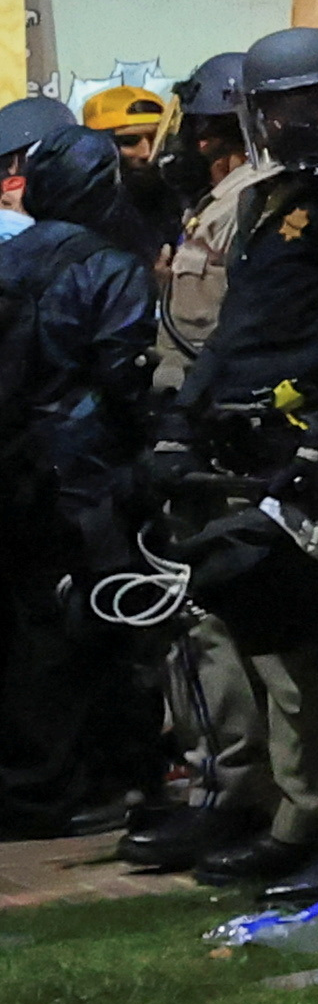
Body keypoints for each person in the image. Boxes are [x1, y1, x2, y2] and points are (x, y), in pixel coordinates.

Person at [177, 25, 318, 899]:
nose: (306, 120)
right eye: (284, 105)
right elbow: (240, 325)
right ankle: (308, 815)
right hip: (250, 447)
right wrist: (187, 416)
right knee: (279, 653)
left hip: (312, 448)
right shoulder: (269, 201)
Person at [114, 51, 272, 871]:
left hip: (220, 433)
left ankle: (234, 790)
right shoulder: (227, 202)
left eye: (203, 126)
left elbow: (224, 330)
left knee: (211, 619)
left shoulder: (247, 201)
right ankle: (247, 787)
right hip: (212, 425)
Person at [0, 102, 165, 841]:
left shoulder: (10, 258)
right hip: (88, 475)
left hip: (17, 469)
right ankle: (100, 778)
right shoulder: (110, 267)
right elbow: (125, 378)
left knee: (29, 632)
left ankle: (38, 780)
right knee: (104, 628)